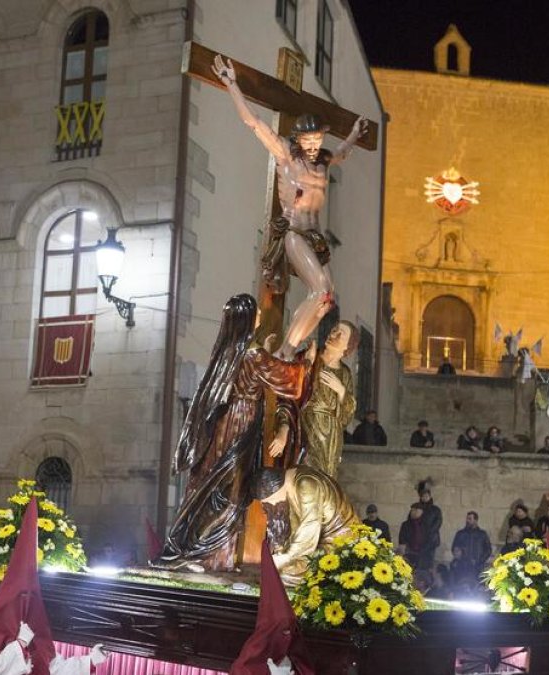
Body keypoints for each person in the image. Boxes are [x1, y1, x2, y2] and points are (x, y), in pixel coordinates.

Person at [212, 54, 369, 358]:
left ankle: (291, 347)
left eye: (317, 139)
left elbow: (343, 152)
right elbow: (253, 122)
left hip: (316, 235)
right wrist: (232, 84)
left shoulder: (323, 160)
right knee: (319, 287)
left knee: (327, 300)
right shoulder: (286, 156)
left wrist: (353, 133)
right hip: (295, 231)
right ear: (298, 138)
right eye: (308, 140)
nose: (313, 145)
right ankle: (284, 351)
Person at [155, 294, 312, 572]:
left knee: (212, 485)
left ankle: (200, 551)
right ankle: (204, 554)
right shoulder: (251, 354)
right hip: (239, 424)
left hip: (222, 426)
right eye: (257, 315)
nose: (261, 318)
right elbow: (286, 378)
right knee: (228, 489)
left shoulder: (227, 351)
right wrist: (306, 364)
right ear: (247, 320)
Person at [0, 499, 107, 675]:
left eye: (31, 598)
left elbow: (53, 667)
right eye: (21, 597)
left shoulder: (35, 625)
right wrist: (19, 645)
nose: (26, 604)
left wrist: (90, 660)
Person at [254, 466, 358, 585]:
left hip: (339, 542)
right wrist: (282, 553)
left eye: (269, 502)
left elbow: (310, 525)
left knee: (285, 576)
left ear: (277, 489)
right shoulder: (291, 481)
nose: (269, 506)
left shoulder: (306, 484)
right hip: (316, 542)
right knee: (278, 572)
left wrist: (285, 557)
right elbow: (295, 525)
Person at [300, 320, 357, 478]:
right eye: (334, 330)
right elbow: (294, 388)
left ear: (347, 346)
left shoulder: (345, 373)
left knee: (325, 479)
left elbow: (347, 416)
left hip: (331, 437)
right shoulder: (312, 356)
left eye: (341, 335)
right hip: (307, 424)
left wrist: (341, 390)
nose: (334, 335)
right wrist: (307, 364)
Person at [451, 511, 491, 576]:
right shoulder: (460, 534)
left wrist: (479, 561)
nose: (467, 521)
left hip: (477, 568)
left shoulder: (482, 534)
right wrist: (458, 554)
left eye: (470, 519)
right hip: (462, 567)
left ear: (475, 520)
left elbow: (488, 550)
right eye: (467, 518)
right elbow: (454, 547)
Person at [398, 504, 427, 569]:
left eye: (416, 511)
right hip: (408, 552)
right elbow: (402, 538)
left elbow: (427, 538)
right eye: (412, 511)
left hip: (421, 553)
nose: (413, 512)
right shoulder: (405, 524)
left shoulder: (425, 525)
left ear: (421, 513)